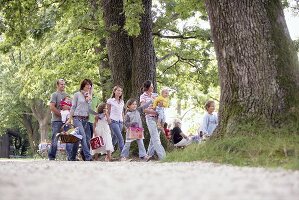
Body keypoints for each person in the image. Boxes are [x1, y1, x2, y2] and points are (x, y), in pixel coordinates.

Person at [66, 79, 97, 161]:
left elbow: (89, 110)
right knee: (83, 136)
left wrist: (97, 114)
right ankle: (88, 157)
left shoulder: (89, 96)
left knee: (77, 138)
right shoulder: (77, 94)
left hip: (85, 119)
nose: (89, 86)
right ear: (83, 85)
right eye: (87, 84)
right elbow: (73, 107)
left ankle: (71, 157)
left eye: (90, 85)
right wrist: (69, 119)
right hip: (77, 118)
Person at [140, 80, 166, 160]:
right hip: (150, 118)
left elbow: (161, 105)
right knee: (156, 138)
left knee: (154, 137)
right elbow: (143, 109)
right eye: (151, 86)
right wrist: (154, 111)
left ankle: (147, 156)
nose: (153, 87)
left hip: (158, 118)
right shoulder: (143, 96)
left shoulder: (156, 95)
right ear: (147, 88)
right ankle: (163, 157)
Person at [48, 79, 72, 160]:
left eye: (64, 84)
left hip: (66, 121)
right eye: (61, 84)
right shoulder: (54, 95)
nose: (63, 86)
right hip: (56, 121)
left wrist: (68, 112)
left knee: (68, 138)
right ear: (57, 85)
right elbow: (51, 107)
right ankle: (51, 157)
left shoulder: (66, 95)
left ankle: (70, 157)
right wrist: (61, 115)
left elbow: (70, 106)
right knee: (55, 138)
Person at [107, 85, 125, 152]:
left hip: (120, 122)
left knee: (115, 138)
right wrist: (109, 120)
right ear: (114, 91)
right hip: (113, 121)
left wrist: (123, 122)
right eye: (118, 90)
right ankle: (123, 155)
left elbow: (122, 112)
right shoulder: (110, 101)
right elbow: (107, 112)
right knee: (120, 138)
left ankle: (108, 152)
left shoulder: (122, 101)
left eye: (120, 91)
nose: (119, 92)